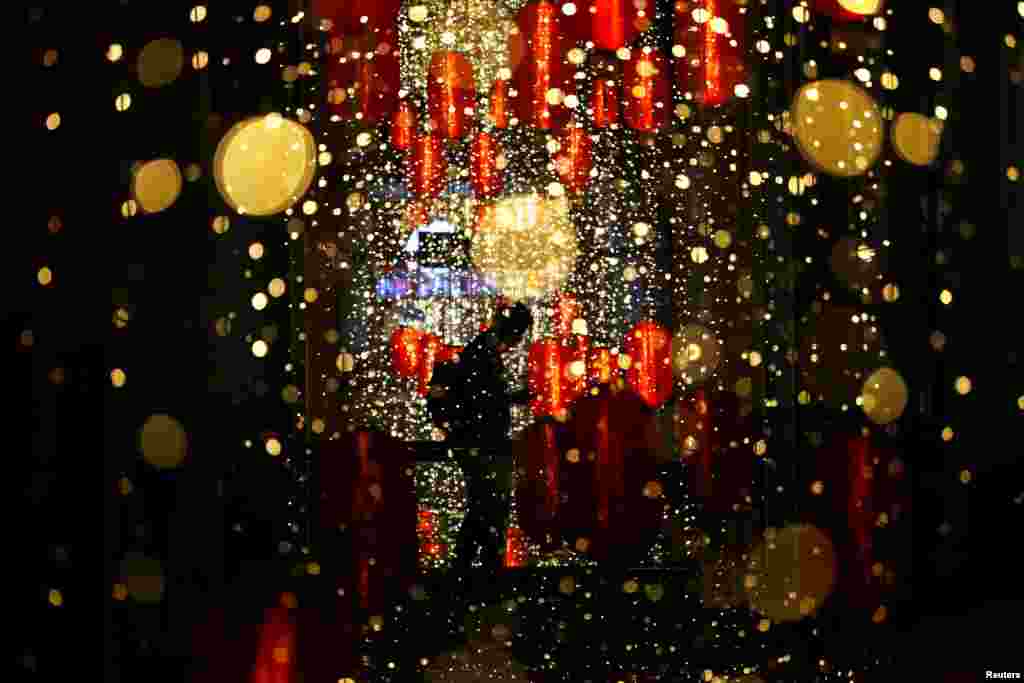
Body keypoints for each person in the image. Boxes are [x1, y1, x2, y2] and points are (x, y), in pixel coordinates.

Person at [434, 302, 533, 584]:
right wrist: (511, 400)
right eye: (519, 334)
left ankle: (470, 574)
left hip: (480, 445)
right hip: (484, 446)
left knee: (484, 509)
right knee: (488, 509)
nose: (518, 341)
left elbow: (480, 398)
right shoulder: (481, 355)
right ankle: (477, 575)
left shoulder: (480, 352)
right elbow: (481, 401)